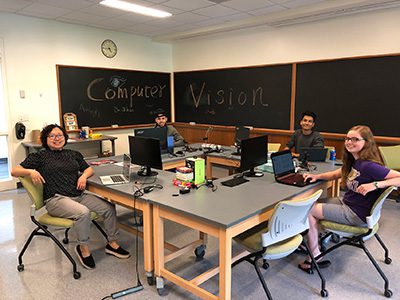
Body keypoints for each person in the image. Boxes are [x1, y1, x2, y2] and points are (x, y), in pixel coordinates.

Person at [11, 124, 130, 270]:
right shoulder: (39, 156)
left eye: (60, 135)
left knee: (109, 208)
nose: (57, 138)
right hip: (56, 199)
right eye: (52, 136)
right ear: (45, 139)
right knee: (83, 213)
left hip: (78, 195)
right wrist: (30, 172)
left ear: (65, 137)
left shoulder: (73, 154)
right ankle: (83, 248)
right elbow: (15, 170)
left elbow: (89, 169)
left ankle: (112, 243)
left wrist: (83, 177)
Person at [298, 125, 400, 272]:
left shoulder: (370, 166)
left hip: (356, 214)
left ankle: (314, 255)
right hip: (348, 203)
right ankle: (311, 239)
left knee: (309, 210)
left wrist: (376, 184)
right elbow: (337, 173)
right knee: (309, 203)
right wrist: (317, 176)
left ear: (366, 142)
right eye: (347, 139)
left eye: (355, 139)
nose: (349, 142)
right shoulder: (356, 161)